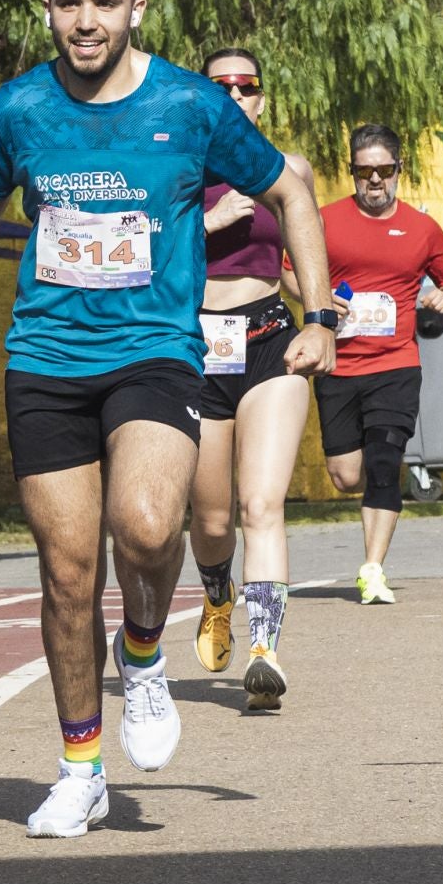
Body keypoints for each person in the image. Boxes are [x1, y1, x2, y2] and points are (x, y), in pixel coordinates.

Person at [0, 0, 337, 838]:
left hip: (154, 349)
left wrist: (322, 317)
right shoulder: (19, 107)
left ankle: (142, 651)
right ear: (49, 10)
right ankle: (79, 768)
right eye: (70, 4)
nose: (86, 21)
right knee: (68, 574)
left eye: (105, 4)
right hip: (45, 357)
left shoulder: (190, 104)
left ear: (136, 8)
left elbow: (291, 191)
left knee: (146, 526)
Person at [185, 48, 317, 712]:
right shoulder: (177, 171)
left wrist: (319, 311)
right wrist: (205, 223)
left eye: (248, 86)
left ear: (262, 98)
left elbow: (297, 252)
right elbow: (139, 253)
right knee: (211, 521)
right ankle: (216, 593)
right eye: (221, 87)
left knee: (261, 504)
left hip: (270, 340)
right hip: (198, 346)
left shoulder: (288, 171)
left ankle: (265, 649)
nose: (236, 95)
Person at [285, 124, 443, 606]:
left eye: (384, 171)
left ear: (398, 172)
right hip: (338, 367)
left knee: (384, 461)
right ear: (353, 173)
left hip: (396, 365)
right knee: (345, 475)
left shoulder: (421, 228)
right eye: (364, 172)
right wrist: (317, 299)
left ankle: (372, 568)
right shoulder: (323, 221)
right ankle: (382, 486)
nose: (375, 181)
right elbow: (287, 268)